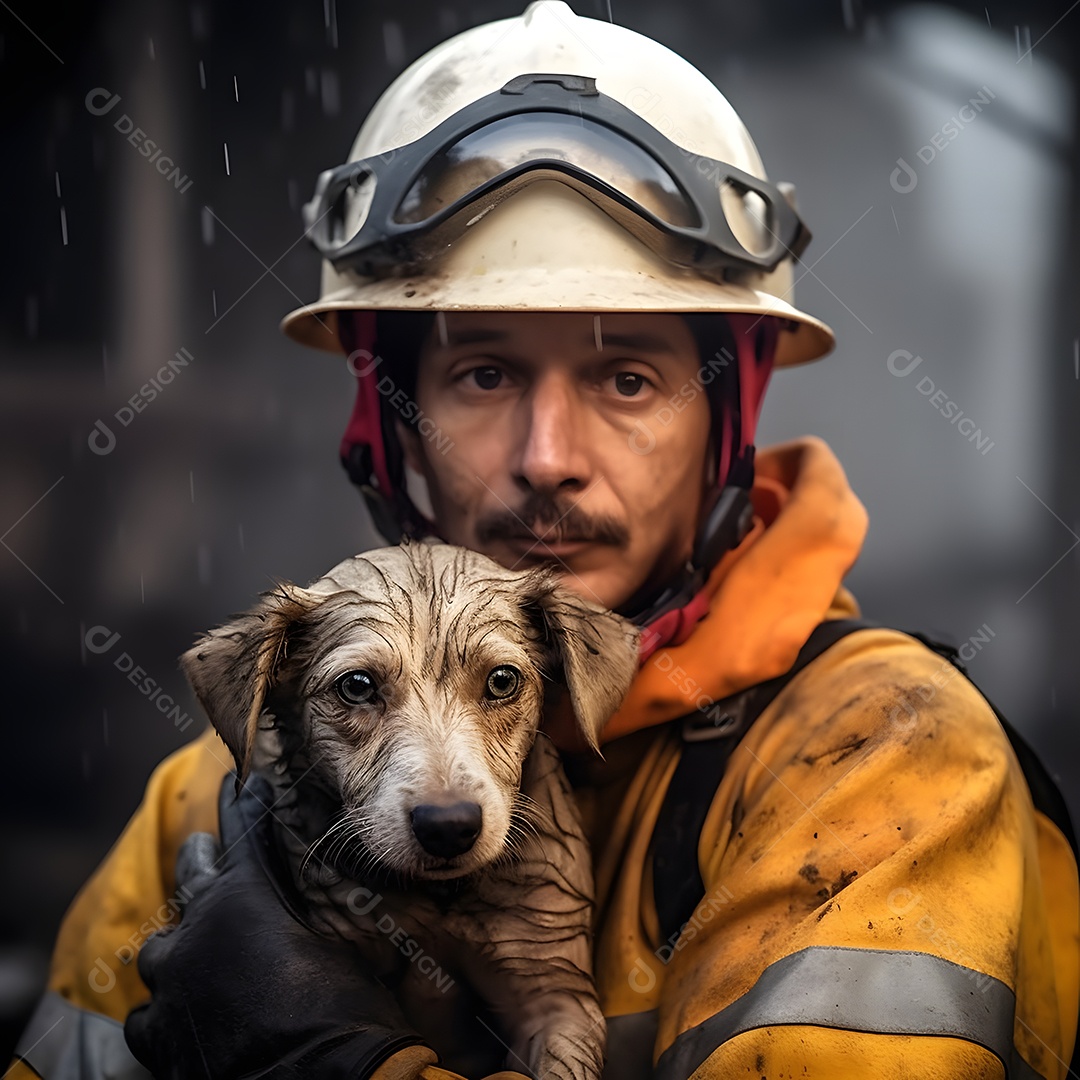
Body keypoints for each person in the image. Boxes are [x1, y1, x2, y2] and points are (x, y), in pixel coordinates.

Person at [12, 3, 1079, 1078]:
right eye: (484, 374)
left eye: (628, 379)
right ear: (387, 425)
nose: (549, 456)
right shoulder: (219, 798)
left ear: (728, 423)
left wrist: (331, 1063)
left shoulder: (885, 752)